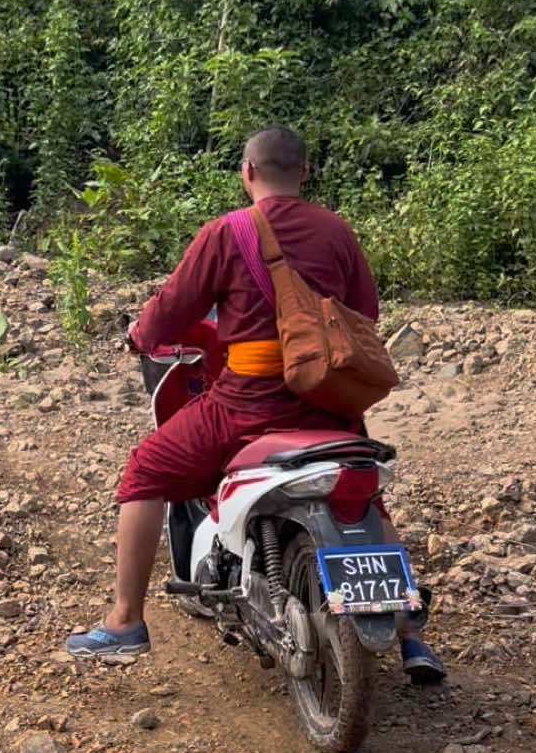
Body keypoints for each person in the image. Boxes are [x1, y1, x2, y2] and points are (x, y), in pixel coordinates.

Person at [66, 126, 445, 682]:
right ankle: (412, 637)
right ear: (305, 173)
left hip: (248, 404)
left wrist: (141, 335)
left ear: (246, 172)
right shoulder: (338, 231)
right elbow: (364, 310)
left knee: (144, 471)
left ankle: (125, 620)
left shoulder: (229, 232)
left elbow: (173, 306)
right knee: (363, 494)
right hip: (329, 404)